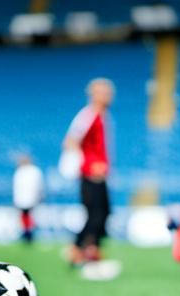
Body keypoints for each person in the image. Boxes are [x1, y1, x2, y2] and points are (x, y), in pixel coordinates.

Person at [63, 77, 114, 267]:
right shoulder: (88, 115)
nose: (109, 96)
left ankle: (92, 249)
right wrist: (87, 164)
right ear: (94, 94)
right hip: (90, 174)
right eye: (105, 92)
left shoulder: (102, 116)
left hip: (100, 174)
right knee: (95, 214)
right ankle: (76, 249)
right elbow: (70, 140)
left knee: (104, 212)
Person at [12, 154, 43, 243]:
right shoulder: (22, 171)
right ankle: (27, 232)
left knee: (28, 215)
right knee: (26, 215)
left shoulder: (31, 171)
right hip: (25, 198)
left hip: (28, 198)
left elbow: (38, 185)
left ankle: (28, 232)